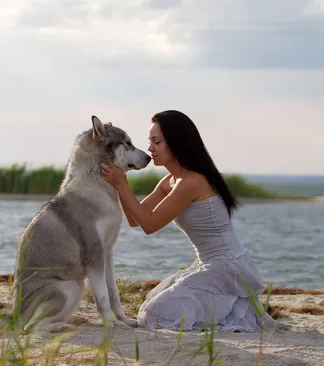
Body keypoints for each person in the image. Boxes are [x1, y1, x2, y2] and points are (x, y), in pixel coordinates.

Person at [100, 110, 286, 332]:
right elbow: (134, 219)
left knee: (154, 315)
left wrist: (121, 185)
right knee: (154, 305)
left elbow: (149, 225)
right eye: (150, 141)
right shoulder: (170, 181)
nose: (150, 148)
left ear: (177, 143)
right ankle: (235, 308)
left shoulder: (191, 182)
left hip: (226, 266)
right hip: (211, 264)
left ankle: (235, 309)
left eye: (156, 142)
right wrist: (121, 182)